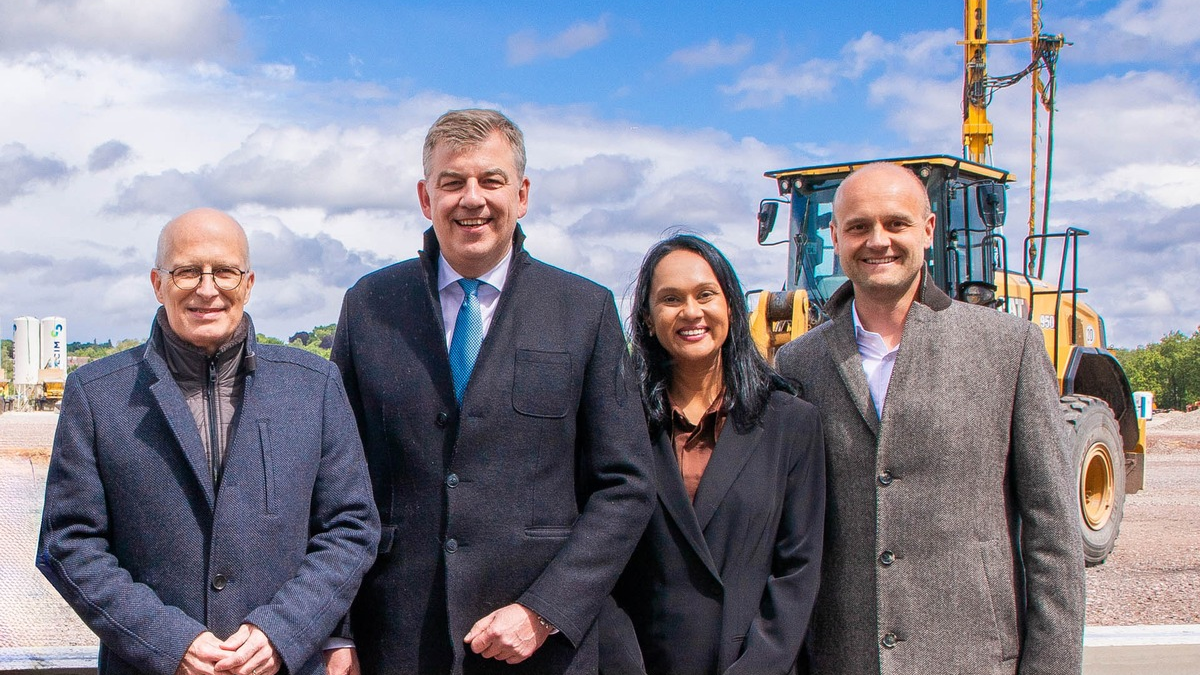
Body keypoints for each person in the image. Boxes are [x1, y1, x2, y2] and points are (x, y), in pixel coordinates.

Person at [330, 109, 655, 675]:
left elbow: (625, 485)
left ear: (521, 195)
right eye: (452, 182)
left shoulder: (584, 310)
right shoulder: (369, 306)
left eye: (491, 180)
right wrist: (338, 632)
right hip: (398, 639)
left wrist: (546, 610)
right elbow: (335, 481)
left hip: (543, 647)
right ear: (425, 198)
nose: (472, 199)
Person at [36, 208, 380, 675]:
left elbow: (350, 528)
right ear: (157, 284)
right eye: (186, 271)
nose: (207, 288)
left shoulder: (313, 385)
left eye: (224, 271)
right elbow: (68, 542)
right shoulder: (97, 394)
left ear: (248, 283)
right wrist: (168, 642)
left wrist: (281, 631)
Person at [775, 162, 1085, 674]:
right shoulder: (798, 362)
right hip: (843, 659)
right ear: (835, 236)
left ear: (928, 229)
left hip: (973, 659)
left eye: (896, 223)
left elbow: (1052, 532)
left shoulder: (1008, 348)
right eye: (858, 226)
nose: (878, 240)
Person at [601, 235, 825, 675]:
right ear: (647, 319)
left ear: (731, 307)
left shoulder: (791, 424)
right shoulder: (618, 424)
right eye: (671, 299)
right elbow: (599, 563)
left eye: (705, 295)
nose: (691, 312)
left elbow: (798, 568)